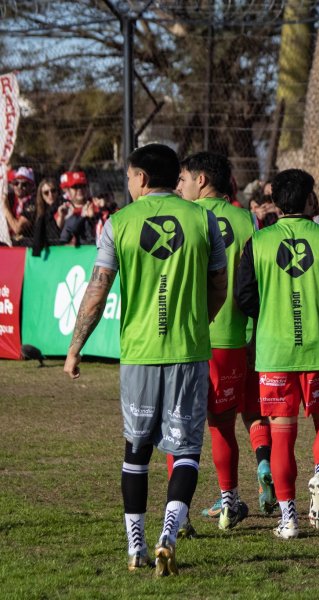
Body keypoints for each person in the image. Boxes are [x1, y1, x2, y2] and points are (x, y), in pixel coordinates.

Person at [63, 143, 228, 574]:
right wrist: (199, 321)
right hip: (188, 351)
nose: (128, 183)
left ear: (141, 178)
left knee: (136, 450)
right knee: (186, 450)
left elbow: (97, 290)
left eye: (129, 176)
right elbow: (219, 285)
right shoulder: (203, 219)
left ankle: (135, 546)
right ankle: (168, 535)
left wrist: (76, 347)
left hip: (139, 354)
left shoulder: (119, 223)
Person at [235, 168, 319, 538]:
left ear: (276, 202)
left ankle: (288, 519)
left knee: (281, 437)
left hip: (275, 353)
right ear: (309, 199)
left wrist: (270, 314)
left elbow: (243, 297)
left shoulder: (258, 242)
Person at [174, 151, 274, 530]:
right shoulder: (247, 219)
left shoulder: (186, 216)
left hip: (190, 336)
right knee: (223, 423)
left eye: (183, 179)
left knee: (180, 427)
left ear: (201, 179)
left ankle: (179, 513)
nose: (179, 186)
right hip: (234, 336)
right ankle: (229, 500)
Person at [58, 171, 98, 246]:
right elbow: (56, 232)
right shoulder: (64, 208)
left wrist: (92, 218)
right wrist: (62, 217)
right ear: (68, 190)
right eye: (75, 187)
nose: (80, 189)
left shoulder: (95, 205)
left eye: (82, 186)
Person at [3, 166, 36, 245]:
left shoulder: (33, 202)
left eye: (24, 184)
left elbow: (17, 229)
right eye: (16, 183)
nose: (19, 187)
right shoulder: (10, 198)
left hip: (25, 245)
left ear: (32, 186)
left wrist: (5, 208)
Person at [31, 177, 62, 254]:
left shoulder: (64, 206)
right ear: (41, 196)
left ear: (58, 191)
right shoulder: (39, 212)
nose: (50, 195)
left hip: (61, 247)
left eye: (53, 191)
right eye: (46, 193)